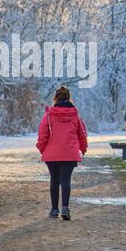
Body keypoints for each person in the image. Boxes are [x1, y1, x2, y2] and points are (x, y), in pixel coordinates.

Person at [36, 86, 88, 221]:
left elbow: (42, 135)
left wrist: (43, 150)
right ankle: (65, 208)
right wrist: (83, 149)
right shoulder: (75, 115)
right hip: (70, 153)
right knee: (65, 181)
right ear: (69, 98)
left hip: (52, 154)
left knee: (54, 180)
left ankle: (54, 210)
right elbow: (82, 134)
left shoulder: (49, 115)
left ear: (56, 98)